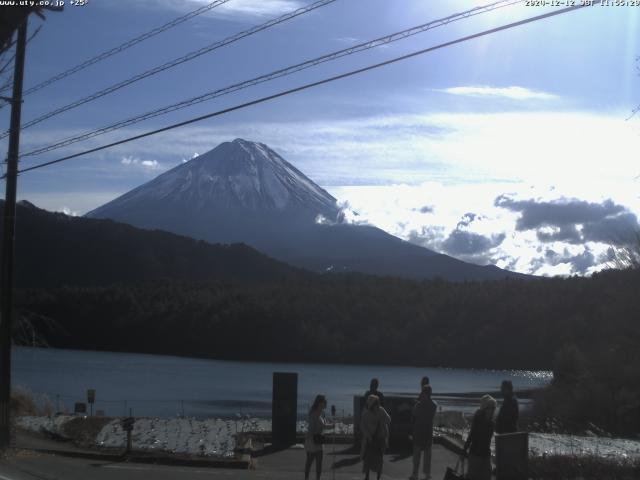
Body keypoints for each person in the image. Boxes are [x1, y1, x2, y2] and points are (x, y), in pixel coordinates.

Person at [463, 395, 497, 480]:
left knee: (487, 477)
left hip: (486, 456)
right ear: (485, 409)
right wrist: (463, 451)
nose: (493, 410)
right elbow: (471, 436)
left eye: (494, 408)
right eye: (490, 408)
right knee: (472, 477)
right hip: (475, 455)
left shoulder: (492, 424)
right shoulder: (478, 421)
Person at [410, 384, 437, 480]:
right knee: (427, 456)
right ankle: (427, 474)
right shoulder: (434, 405)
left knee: (416, 455)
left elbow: (414, 414)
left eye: (422, 392)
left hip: (418, 431)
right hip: (428, 432)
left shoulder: (419, 405)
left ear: (424, 393)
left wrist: (418, 401)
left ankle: (415, 474)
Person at [361, 395, 391, 480]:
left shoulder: (381, 410)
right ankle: (367, 477)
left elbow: (389, 420)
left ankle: (378, 478)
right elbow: (363, 426)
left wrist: (381, 420)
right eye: (375, 404)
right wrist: (368, 435)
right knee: (368, 459)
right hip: (370, 439)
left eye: (377, 404)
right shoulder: (366, 413)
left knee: (379, 460)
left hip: (380, 439)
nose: (377, 406)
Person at [305, 394, 330, 480]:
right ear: (320, 403)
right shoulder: (314, 413)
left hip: (319, 440)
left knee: (319, 464)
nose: (326, 403)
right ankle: (306, 478)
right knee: (309, 462)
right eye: (324, 401)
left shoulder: (322, 413)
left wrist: (332, 425)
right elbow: (311, 428)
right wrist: (312, 439)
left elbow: (324, 425)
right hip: (312, 441)